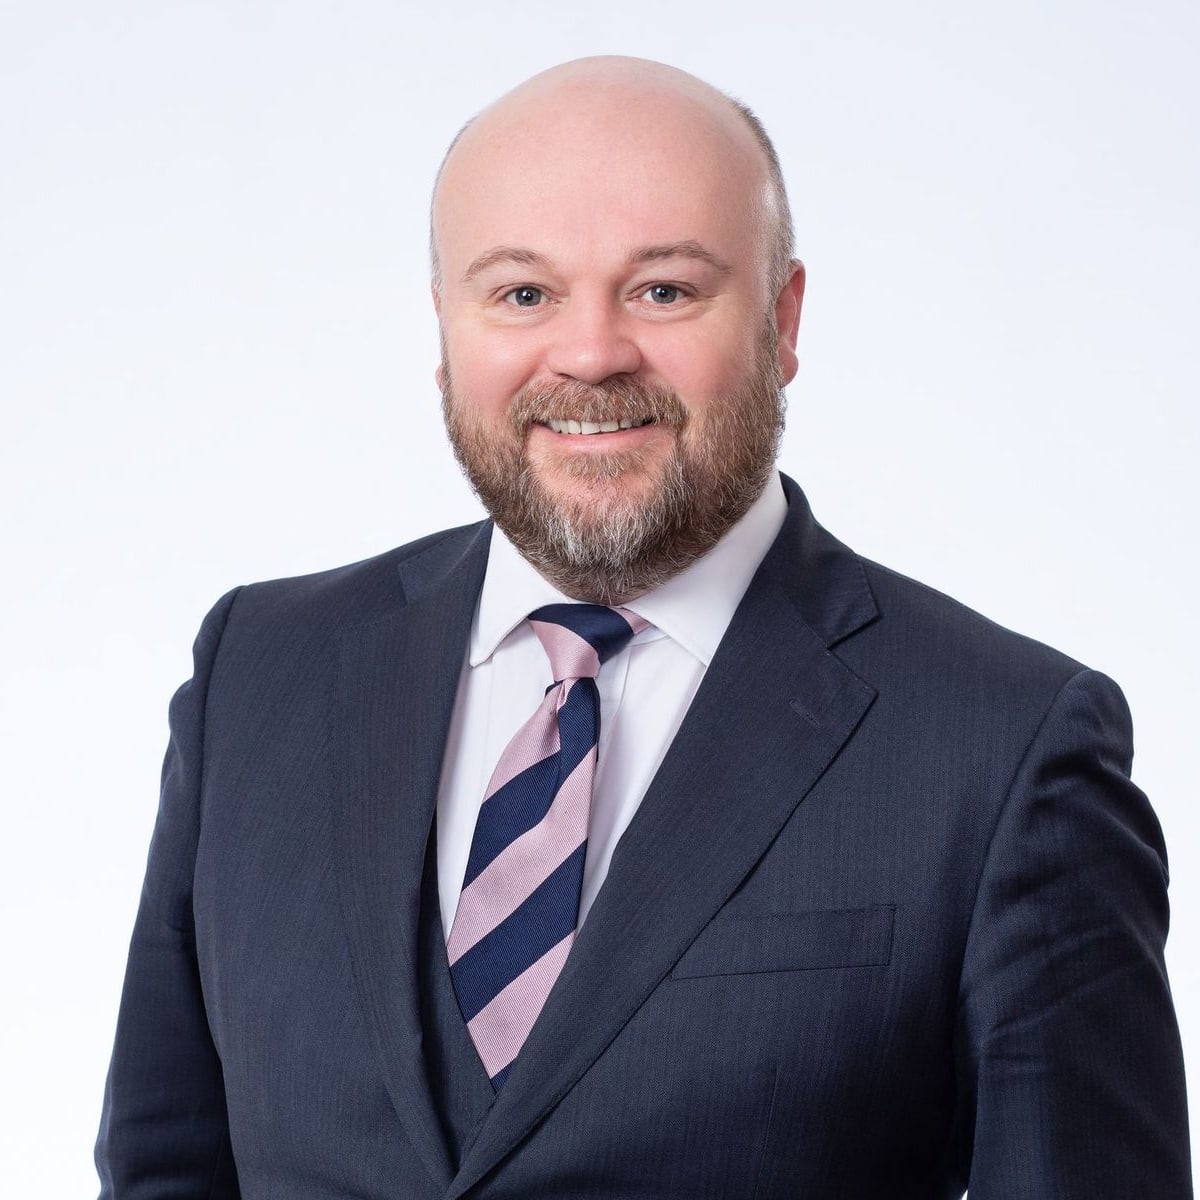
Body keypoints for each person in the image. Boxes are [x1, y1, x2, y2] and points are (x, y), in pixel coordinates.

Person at [95, 56, 1192, 1198]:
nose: (590, 354)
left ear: (783, 319)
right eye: (523, 294)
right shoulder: (257, 674)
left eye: (663, 290)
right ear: (444, 326)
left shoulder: (1004, 747)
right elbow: (163, 1165)